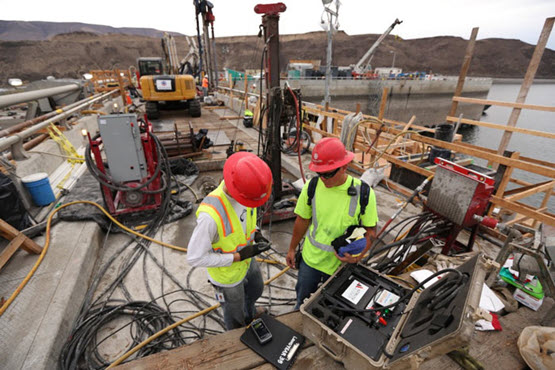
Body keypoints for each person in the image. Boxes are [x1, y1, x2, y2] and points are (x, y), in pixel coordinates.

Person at [286, 137, 378, 309]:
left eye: (328, 173)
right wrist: (292, 248)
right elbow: (302, 220)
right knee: (302, 304)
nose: (323, 179)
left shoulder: (364, 193)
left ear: (344, 166)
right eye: (319, 173)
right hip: (311, 263)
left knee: (334, 309)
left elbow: (371, 232)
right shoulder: (311, 187)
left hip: (341, 267)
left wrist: (357, 256)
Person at [187, 152, 273, 330]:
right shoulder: (210, 216)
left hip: (247, 261)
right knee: (234, 313)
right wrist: (236, 257)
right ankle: (237, 334)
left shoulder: (247, 194)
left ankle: (250, 313)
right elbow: (194, 257)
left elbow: (244, 220)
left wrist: (256, 234)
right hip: (228, 276)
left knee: (256, 289)